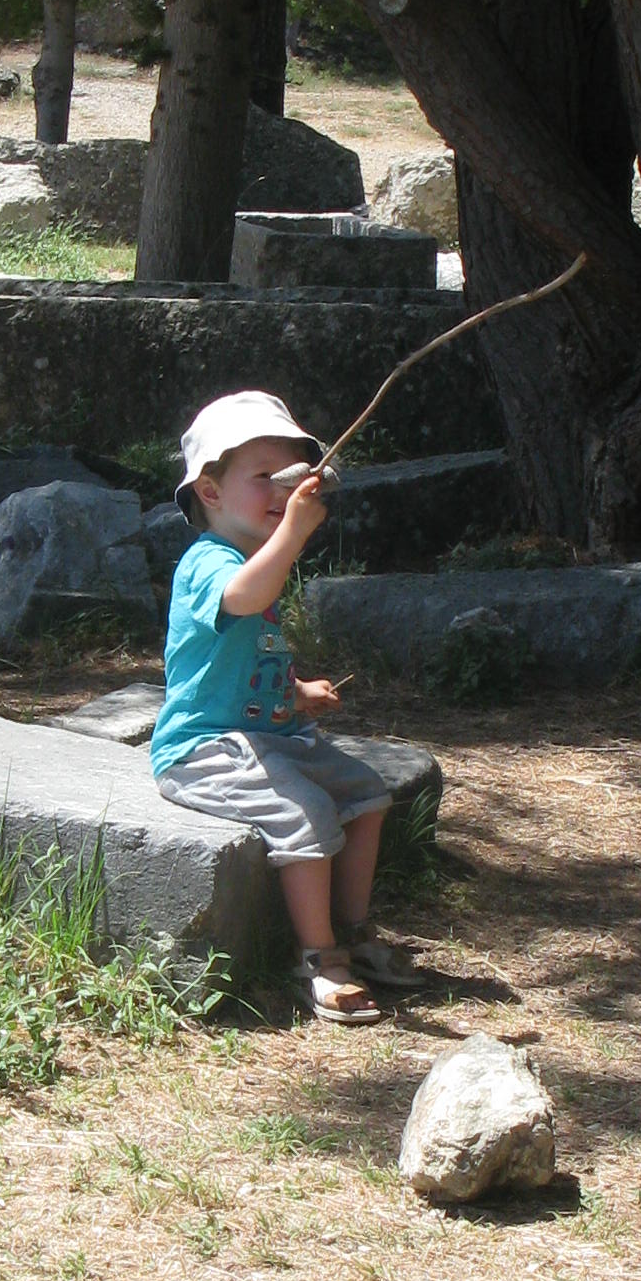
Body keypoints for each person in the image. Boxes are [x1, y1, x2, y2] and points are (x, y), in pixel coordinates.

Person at [153, 390, 419, 1024]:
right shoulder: (208, 562)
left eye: (292, 474)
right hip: (204, 749)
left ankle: (354, 928)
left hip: (269, 737)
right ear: (210, 491)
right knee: (309, 815)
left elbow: (253, 659)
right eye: (264, 477)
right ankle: (319, 957)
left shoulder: (259, 561)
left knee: (368, 795)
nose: (284, 488)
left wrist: (297, 694)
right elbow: (243, 598)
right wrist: (295, 531)